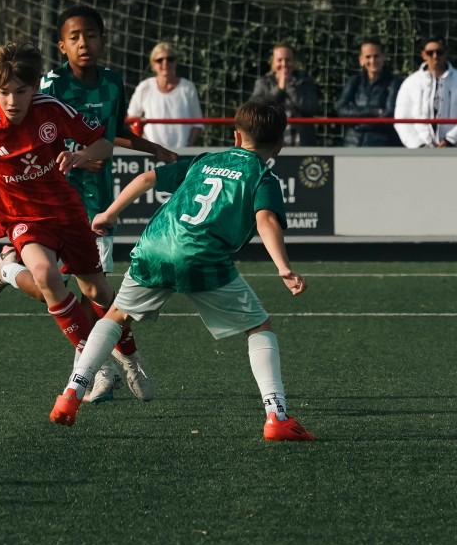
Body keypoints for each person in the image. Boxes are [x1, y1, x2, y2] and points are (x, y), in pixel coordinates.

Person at [48, 100, 315, 442]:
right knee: (258, 326)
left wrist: (109, 214)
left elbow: (147, 178)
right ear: (279, 145)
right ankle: (277, 415)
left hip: (155, 247)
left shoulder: (205, 160)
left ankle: (72, 392)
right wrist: (284, 268)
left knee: (115, 318)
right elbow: (265, 220)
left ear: (235, 136)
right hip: (202, 257)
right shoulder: (263, 176)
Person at [0, 6, 174, 401]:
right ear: (62, 46)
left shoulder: (113, 82)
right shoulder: (48, 84)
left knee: (94, 291)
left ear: (103, 40)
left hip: (97, 198)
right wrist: (74, 153)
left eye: (91, 35)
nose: (84, 43)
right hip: (47, 201)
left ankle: (97, 369)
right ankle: (12, 273)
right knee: (51, 287)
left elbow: (111, 132)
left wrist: (153, 149)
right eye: (75, 37)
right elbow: (27, 132)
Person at [0, 40, 123, 363]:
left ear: (34, 87)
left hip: (64, 211)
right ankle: (96, 366)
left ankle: (7, 269)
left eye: (20, 91)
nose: (12, 101)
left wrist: (81, 155)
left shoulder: (51, 109)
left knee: (95, 291)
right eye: (4, 92)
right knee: (48, 278)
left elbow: (104, 144)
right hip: (19, 216)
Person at [393, 37, 457, 149]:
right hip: (419, 151)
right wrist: (419, 145)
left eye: (439, 52)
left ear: (446, 53)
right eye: (430, 53)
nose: (435, 56)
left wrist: (451, 140)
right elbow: (401, 119)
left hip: (455, 149)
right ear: (423, 55)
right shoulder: (410, 82)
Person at [126, 42, 204, 148]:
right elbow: (132, 117)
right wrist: (146, 146)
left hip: (181, 153)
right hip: (151, 153)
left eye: (170, 59)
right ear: (153, 64)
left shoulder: (188, 88)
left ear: (175, 62)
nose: (165, 63)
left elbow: (197, 123)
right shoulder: (145, 87)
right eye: (160, 60)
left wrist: (186, 148)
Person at [334, 39, 402, 147]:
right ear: (361, 59)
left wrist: (356, 119)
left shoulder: (394, 83)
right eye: (368, 57)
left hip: (381, 145)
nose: (372, 60)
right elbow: (341, 110)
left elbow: (389, 115)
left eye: (376, 56)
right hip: (352, 144)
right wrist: (374, 111)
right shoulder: (354, 81)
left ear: (383, 57)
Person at [250, 43, 320, 145]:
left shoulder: (305, 82)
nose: (284, 64)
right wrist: (279, 89)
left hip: (302, 145)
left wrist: (290, 88)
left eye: (288, 60)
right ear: (273, 64)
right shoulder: (262, 83)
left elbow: (310, 108)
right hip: (271, 146)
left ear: (294, 62)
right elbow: (255, 110)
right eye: (279, 60)